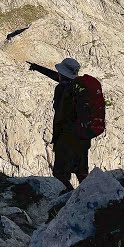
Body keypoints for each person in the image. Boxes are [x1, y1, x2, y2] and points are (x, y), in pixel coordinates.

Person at [28, 57, 90, 191]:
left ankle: (68, 201)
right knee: (82, 174)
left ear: (62, 73)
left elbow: (60, 113)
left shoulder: (62, 89)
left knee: (60, 175)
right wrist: (38, 68)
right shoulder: (80, 87)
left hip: (66, 138)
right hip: (83, 138)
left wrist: (56, 138)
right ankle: (91, 202)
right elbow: (59, 78)